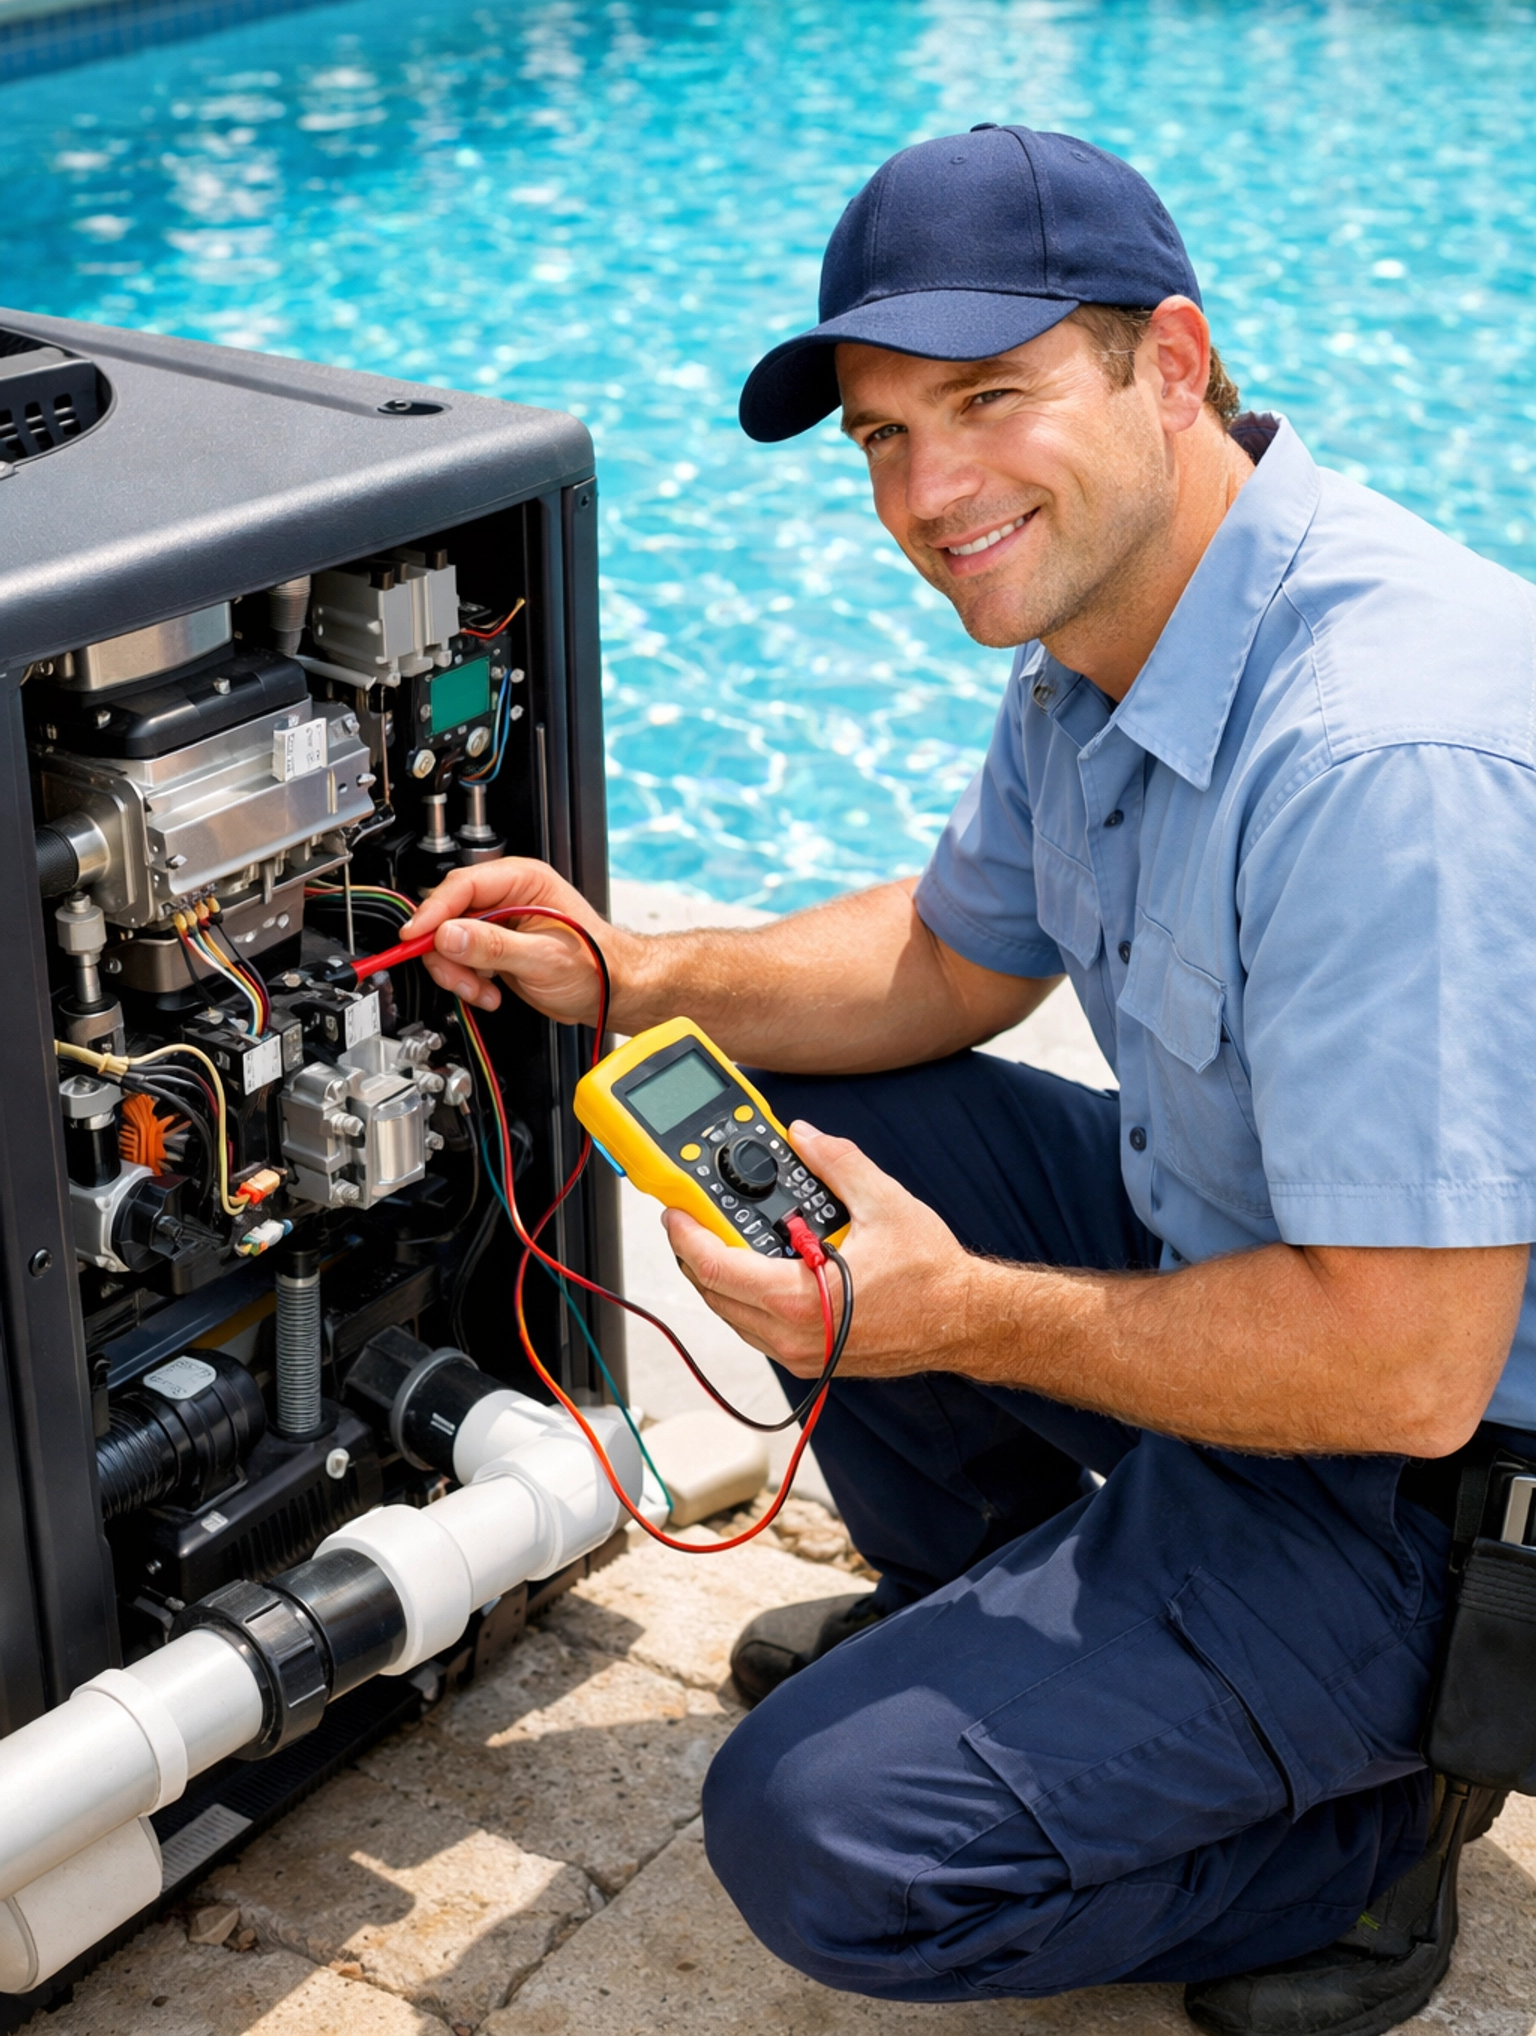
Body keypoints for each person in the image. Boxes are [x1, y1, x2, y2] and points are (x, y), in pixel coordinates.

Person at [401, 124, 1536, 2035]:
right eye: (880, 437)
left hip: (1444, 1482)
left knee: (829, 1842)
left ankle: (1371, 1822)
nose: (930, 491)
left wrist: (960, 1319)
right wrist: (632, 973)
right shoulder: (1115, 631)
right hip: (1265, 1288)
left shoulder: (1381, 761)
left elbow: (1404, 1370)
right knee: (811, 1121)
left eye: (988, 399)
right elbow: (947, 963)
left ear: (1171, 365)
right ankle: (1035, 1620)